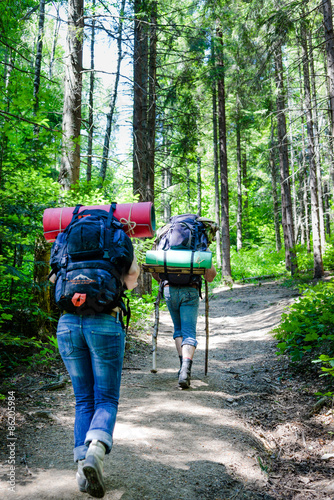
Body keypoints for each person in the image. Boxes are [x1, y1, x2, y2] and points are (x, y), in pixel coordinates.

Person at [51, 254, 140, 498]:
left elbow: (53, 278)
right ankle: (96, 451)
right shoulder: (116, 235)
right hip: (104, 322)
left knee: (83, 399)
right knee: (106, 398)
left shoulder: (67, 238)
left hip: (68, 324)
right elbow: (131, 277)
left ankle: (82, 471)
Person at [153, 263, 216, 389]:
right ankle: (185, 371)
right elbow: (210, 276)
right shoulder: (200, 244)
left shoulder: (165, 244)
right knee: (189, 333)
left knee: (178, 330)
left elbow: (156, 273)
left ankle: (182, 368)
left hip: (169, 289)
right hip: (190, 290)